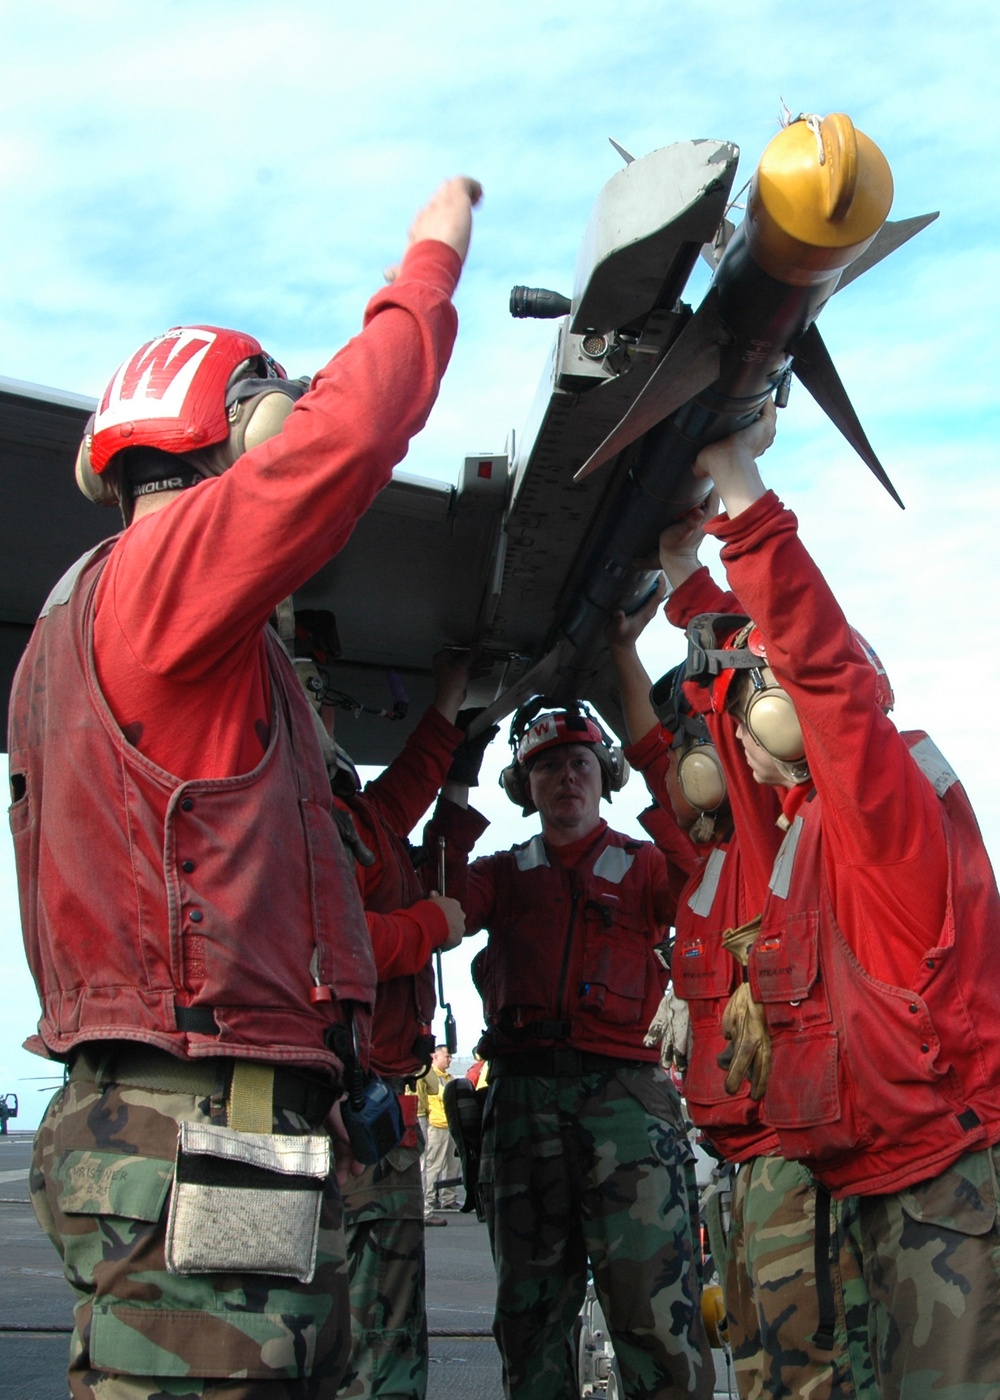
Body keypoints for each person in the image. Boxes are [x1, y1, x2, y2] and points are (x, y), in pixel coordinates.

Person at [8, 176, 482, 1400]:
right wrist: (431, 256)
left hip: (192, 1122)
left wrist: (441, 728)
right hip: (199, 1121)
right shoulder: (165, 571)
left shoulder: (90, 627)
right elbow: (357, 429)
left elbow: (333, 839)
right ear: (236, 432)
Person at [680, 397, 1000, 1397]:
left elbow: (822, 676)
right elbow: (744, 750)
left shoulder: (880, 803)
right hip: (867, 1180)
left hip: (943, 1184)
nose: (749, 750)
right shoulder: (798, 832)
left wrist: (740, 495)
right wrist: (677, 581)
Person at [609, 585, 876, 1400]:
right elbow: (661, 759)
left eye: (709, 748)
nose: (695, 765)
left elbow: (756, 697)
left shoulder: (772, 839)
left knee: (812, 1370)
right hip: (741, 1167)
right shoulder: (708, 868)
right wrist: (618, 649)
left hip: (792, 1162)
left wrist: (694, 586)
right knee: (758, 1368)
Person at [430, 699, 715, 1400]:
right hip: (524, 1099)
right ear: (525, 786)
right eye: (547, 766)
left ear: (604, 775)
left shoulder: (645, 866)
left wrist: (666, 780)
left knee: (656, 1309)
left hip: (627, 1102)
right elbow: (438, 901)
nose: (565, 778)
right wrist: (456, 786)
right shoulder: (503, 872)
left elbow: (702, 883)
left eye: (579, 763)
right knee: (529, 1317)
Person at [291, 627, 489, 1400]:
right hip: (322, 1113)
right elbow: (335, 942)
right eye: (308, 696)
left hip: (378, 1111)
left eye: (324, 698)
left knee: (391, 1327)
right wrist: (433, 926)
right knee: (320, 1325)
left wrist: (447, 702)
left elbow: (399, 796)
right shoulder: (283, 811)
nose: (324, 714)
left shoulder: (345, 809)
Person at [418, 1044, 462, 1221]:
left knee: (453, 1166)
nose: (449, 1059)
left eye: (450, 1057)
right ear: (434, 1057)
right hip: (436, 1125)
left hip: (450, 1125)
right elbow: (434, 1093)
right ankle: (428, 1199)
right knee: (431, 1164)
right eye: (446, 1056)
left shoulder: (450, 1078)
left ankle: (448, 1198)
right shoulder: (428, 1073)